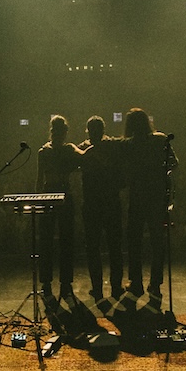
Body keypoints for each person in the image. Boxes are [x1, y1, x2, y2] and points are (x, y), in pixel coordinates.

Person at [121, 108, 179, 302]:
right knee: (157, 242)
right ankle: (155, 283)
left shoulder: (128, 144)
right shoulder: (160, 139)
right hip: (156, 198)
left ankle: (136, 282)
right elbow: (174, 163)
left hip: (137, 197)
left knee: (134, 241)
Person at [35, 115, 82, 297]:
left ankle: (47, 283)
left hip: (50, 194)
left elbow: (40, 180)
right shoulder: (66, 150)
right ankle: (64, 283)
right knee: (65, 241)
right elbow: (82, 158)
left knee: (48, 241)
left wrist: (38, 199)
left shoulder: (44, 151)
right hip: (62, 194)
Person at [78, 116, 124, 301]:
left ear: (88, 130)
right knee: (115, 247)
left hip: (92, 203)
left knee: (94, 248)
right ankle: (116, 287)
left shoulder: (83, 148)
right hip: (111, 201)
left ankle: (97, 288)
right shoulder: (113, 146)